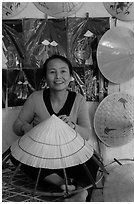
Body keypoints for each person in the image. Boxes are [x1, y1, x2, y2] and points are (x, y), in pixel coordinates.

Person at [11, 54, 99, 199]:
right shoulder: (35, 98)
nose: (58, 76)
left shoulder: (78, 99)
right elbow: (17, 126)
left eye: (63, 71)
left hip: (69, 156)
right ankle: (62, 183)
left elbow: (86, 134)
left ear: (71, 75)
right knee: (16, 154)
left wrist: (72, 126)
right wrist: (26, 129)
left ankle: (81, 193)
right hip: (43, 158)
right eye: (52, 72)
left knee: (93, 159)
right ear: (45, 77)